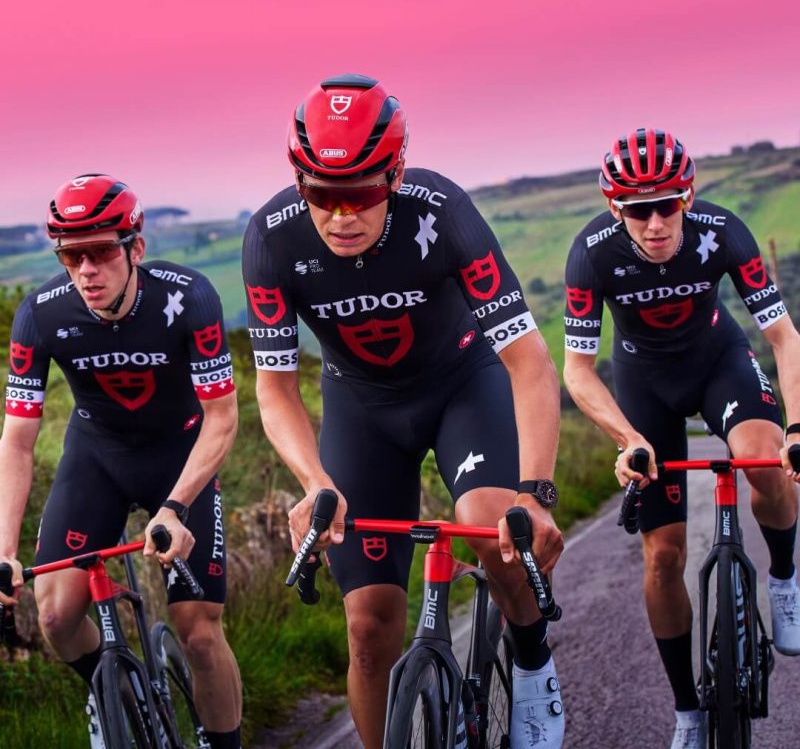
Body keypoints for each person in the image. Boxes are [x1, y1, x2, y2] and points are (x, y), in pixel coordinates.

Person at [242, 74, 565, 748]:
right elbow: (274, 387)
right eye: (321, 196)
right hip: (361, 409)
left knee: (488, 527)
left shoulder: (441, 210)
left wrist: (534, 494)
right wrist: (314, 480)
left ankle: (533, 662)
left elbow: (530, 362)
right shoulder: (271, 240)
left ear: (394, 174)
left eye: (361, 193)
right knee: (366, 626)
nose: (340, 215)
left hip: (461, 387)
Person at [563, 128, 800, 748]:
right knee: (663, 554)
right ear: (615, 208)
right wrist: (625, 439)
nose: (655, 222)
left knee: (760, 460)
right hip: (645, 386)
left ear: (688, 196)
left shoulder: (723, 231)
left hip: (718, 360)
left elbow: (784, 338)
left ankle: (783, 575)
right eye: (638, 209)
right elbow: (578, 370)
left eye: (667, 204)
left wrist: (796, 427)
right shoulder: (592, 253)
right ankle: (688, 711)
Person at [0, 174, 243, 749]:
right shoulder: (40, 315)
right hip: (98, 459)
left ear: (135, 248)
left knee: (199, 632)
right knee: (57, 619)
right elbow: (17, 441)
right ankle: (116, 694)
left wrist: (177, 507)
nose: (86, 269)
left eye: (102, 251)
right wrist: (5, 550)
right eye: (70, 254)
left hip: (180, 459)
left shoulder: (190, 297)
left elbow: (223, 418)